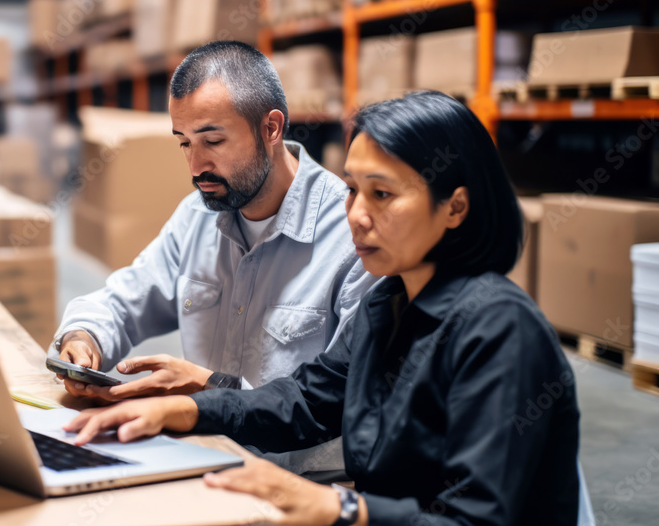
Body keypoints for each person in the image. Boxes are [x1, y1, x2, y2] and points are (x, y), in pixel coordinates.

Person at [64, 91, 581, 526]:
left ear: (456, 207)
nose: (356, 215)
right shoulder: (391, 300)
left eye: (382, 195)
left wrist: (342, 506)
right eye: (353, 190)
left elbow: (475, 518)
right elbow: (308, 401)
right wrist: (185, 409)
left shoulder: (498, 330)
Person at [52, 41, 377, 403]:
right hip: (207, 448)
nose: (195, 167)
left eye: (213, 141)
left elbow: (346, 398)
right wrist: (82, 337)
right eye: (185, 144)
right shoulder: (196, 218)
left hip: (291, 461)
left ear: (271, 128)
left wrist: (211, 389)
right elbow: (122, 301)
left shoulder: (353, 234)